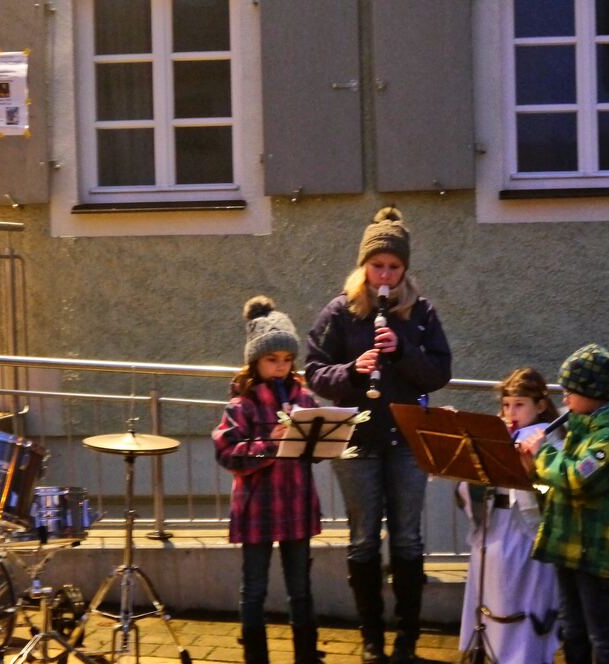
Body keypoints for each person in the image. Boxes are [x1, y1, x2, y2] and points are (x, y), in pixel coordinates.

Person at [305, 207, 452, 663]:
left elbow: (438, 373)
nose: (384, 275)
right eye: (377, 266)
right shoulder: (341, 311)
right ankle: (371, 637)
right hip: (357, 442)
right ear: (363, 265)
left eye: (393, 267)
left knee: (407, 539)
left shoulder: (421, 312)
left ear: (404, 268)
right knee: (364, 539)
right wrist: (353, 369)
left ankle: (408, 636)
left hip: (407, 440)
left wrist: (403, 350)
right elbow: (314, 371)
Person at [213, 295, 322, 664]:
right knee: (254, 588)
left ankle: (306, 654)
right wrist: (268, 443)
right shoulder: (241, 404)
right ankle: (255, 657)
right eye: (271, 360)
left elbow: (320, 447)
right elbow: (228, 454)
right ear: (255, 361)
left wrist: (315, 436)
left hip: (296, 502)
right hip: (258, 506)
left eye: (287, 360)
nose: (280, 368)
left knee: (301, 588)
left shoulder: (303, 397)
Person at [518, 344, 609, 664]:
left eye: (569, 390)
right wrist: (529, 470)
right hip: (567, 538)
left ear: (591, 391)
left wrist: (542, 453)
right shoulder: (581, 421)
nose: (564, 399)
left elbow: (577, 477)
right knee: (572, 628)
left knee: (602, 633)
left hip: (593, 545)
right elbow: (558, 480)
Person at [456, 368, 561, 664]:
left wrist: (530, 471)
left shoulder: (549, 440)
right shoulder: (496, 435)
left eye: (519, 404)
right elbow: (468, 488)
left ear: (539, 406)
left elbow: (554, 492)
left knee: (520, 602)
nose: (511, 412)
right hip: (492, 528)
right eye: (506, 404)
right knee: (491, 599)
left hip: (525, 533)